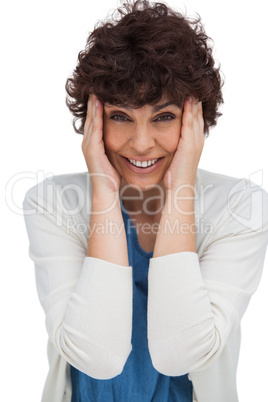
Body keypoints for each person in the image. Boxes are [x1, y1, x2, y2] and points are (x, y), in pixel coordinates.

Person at [23, 1, 268, 401]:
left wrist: (181, 190)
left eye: (163, 117)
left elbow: (180, 354)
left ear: (195, 121)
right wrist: (102, 189)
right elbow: (96, 357)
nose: (140, 143)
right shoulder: (52, 203)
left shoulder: (242, 207)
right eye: (120, 116)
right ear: (93, 120)